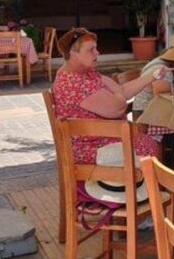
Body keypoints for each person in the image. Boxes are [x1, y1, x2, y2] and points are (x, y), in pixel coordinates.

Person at [53, 28, 163, 164]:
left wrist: (153, 76)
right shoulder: (72, 82)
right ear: (73, 53)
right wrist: (117, 97)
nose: (97, 53)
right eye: (91, 50)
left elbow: (121, 91)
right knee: (149, 145)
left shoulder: (86, 73)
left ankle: (143, 185)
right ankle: (142, 184)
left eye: (96, 48)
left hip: (101, 138)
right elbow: (118, 108)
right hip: (89, 147)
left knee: (150, 140)